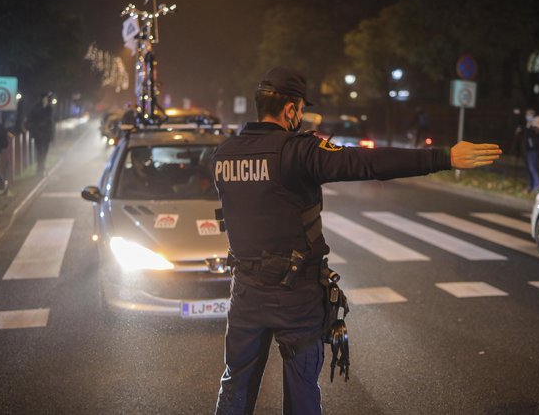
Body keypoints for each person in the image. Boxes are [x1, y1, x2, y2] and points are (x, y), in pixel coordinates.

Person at [212, 67, 502, 415]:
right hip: (297, 297)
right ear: (290, 109)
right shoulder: (298, 151)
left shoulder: (224, 154)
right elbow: (366, 162)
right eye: (300, 109)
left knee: (236, 384)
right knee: (302, 389)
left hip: (245, 293)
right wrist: (444, 157)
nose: (300, 116)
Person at [27, 92, 54, 176]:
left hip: (46, 134)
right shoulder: (36, 108)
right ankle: (40, 169)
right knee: (39, 152)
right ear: (42, 98)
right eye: (45, 98)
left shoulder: (49, 108)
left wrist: (51, 134)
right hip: (38, 134)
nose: (46, 99)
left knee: (44, 152)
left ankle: (41, 168)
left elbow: (51, 122)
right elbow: (31, 119)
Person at [522, 108, 539, 193]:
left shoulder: (536, 125)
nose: (527, 116)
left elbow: (534, 135)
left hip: (533, 150)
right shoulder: (529, 124)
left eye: (528, 114)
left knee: (532, 168)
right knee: (528, 169)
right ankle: (530, 186)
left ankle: (536, 186)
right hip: (528, 150)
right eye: (526, 114)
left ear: (532, 115)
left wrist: (529, 127)